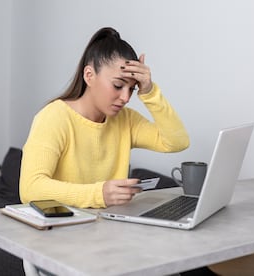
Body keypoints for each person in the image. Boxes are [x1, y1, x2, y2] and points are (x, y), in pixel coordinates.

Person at [19, 27, 193, 276]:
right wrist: (99, 193)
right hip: (63, 245)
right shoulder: (54, 117)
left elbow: (176, 142)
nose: (125, 98)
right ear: (89, 75)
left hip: (113, 242)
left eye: (132, 89)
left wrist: (150, 91)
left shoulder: (125, 120)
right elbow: (30, 188)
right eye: (118, 85)